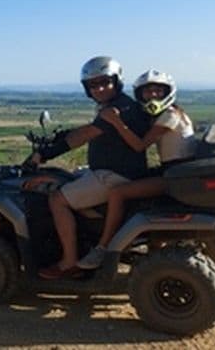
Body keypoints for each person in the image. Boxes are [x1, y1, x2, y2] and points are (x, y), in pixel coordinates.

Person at [33, 56, 152, 280]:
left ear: (117, 81)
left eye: (105, 82)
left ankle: (69, 262)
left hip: (113, 176)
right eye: (93, 85)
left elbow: (82, 136)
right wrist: (65, 134)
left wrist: (45, 153)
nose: (99, 88)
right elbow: (90, 129)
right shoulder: (118, 105)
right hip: (117, 172)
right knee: (70, 180)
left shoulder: (117, 109)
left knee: (56, 199)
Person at [77, 70, 197, 269]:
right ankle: (151, 255)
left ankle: (103, 247)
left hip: (174, 175)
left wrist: (117, 122)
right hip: (175, 172)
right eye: (147, 93)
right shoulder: (173, 113)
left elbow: (140, 145)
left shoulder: (169, 117)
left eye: (157, 91)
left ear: (168, 91)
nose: (152, 96)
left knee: (117, 192)